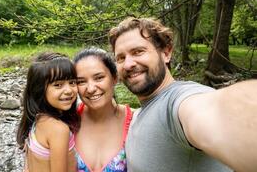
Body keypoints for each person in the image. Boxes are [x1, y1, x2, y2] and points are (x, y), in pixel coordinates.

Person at [109, 17, 257, 172]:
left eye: (138, 52)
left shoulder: (178, 102)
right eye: (121, 58)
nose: (128, 64)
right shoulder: (138, 115)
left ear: (166, 53)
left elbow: (215, 114)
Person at [16, 52, 80, 172]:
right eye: (58, 85)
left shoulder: (37, 119)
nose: (69, 90)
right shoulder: (59, 129)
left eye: (72, 82)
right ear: (39, 89)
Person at [73, 47, 133, 172]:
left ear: (114, 78)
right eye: (81, 81)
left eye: (99, 78)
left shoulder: (136, 120)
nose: (90, 88)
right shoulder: (67, 121)